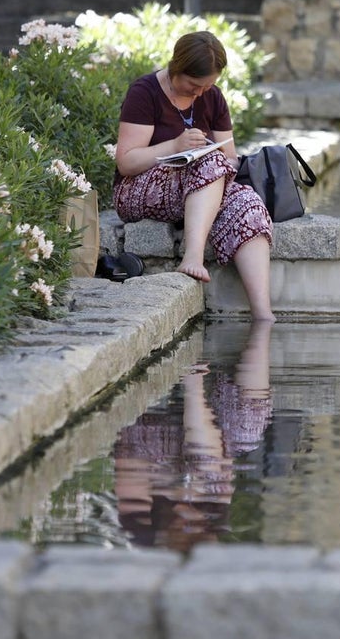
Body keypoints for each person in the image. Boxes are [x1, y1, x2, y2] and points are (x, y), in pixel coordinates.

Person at [112, 31, 275, 321]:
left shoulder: (212, 97)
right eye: (193, 85)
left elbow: (229, 158)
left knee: (248, 202)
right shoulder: (145, 92)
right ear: (177, 67)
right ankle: (193, 256)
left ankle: (263, 314)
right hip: (139, 188)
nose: (199, 93)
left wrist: (218, 160)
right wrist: (175, 146)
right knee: (211, 164)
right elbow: (126, 162)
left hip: (200, 185)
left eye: (208, 86)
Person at [113, 320, 274, 552]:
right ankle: (200, 379)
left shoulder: (141, 530)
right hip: (209, 431)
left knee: (205, 463)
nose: (185, 522)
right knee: (246, 432)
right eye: (197, 527)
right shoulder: (215, 510)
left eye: (180, 530)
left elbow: (129, 455)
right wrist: (188, 486)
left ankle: (260, 320)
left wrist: (172, 485)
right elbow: (217, 467)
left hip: (154, 441)